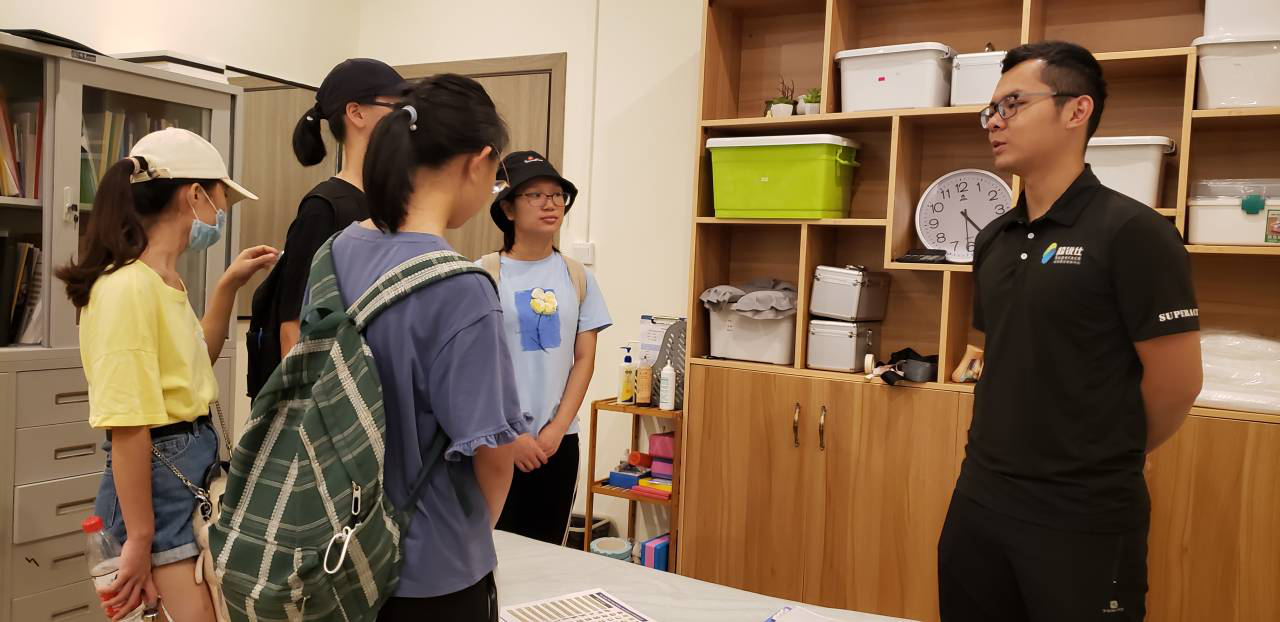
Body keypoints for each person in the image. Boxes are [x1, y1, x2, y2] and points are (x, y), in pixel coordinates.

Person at [937, 41, 1203, 622]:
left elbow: (1178, 383)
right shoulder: (994, 239)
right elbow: (999, 351)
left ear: (1076, 110)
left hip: (1084, 512)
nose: (994, 122)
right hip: (980, 497)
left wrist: (1112, 452)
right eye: (990, 110)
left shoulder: (1133, 232)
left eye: (1012, 104)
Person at [56, 128, 277, 622]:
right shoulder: (126, 288)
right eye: (221, 200)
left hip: (185, 463)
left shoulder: (164, 280)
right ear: (194, 195)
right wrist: (138, 538)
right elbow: (127, 422)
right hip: (155, 480)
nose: (222, 213)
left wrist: (227, 288)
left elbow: (193, 365)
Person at [331, 74, 523, 622]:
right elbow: (494, 458)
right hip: (433, 574)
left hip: (335, 557)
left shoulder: (337, 250)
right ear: (478, 162)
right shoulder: (461, 289)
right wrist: (466, 542)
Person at [246, 58, 407, 397]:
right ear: (356, 113)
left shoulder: (391, 204)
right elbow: (292, 325)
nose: (405, 120)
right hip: (331, 401)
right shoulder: (324, 208)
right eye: (396, 108)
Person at [483, 151, 611, 545]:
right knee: (494, 552)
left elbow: (584, 359)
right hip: (497, 441)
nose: (550, 203)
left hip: (559, 442)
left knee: (551, 554)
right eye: (535, 195)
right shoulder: (482, 274)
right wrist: (511, 436)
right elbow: (474, 367)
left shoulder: (577, 276)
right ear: (508, 208)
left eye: (557, 195)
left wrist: (557, 428)